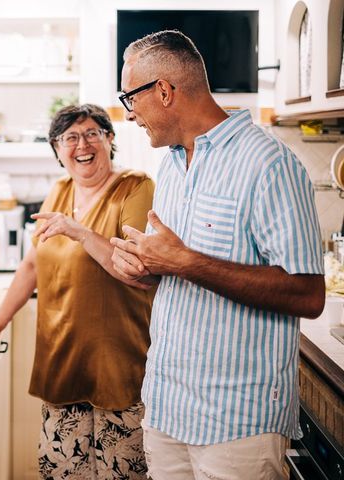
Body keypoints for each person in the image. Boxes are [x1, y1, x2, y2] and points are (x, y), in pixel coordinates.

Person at [110, 30, 325, 480]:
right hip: (167, 408)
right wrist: (146, 267)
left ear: (164, 91)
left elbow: (307, 295)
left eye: (131, 98)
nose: (130, 115)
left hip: (237, 424)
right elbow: (176, 266)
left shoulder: (269, 165)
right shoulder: (170, 164)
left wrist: (185, 261)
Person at [0, 104, 155, 479]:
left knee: (124, 474)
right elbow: (33, 264)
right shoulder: (60, 191)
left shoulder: (136, 186)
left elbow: (137, 271)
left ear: (109, 140)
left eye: (92, 133)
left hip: (119, 367)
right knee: (63, 473)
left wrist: (79, 232)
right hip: (62, 364)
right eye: (70, 137)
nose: (82, 144)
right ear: (57, 148)